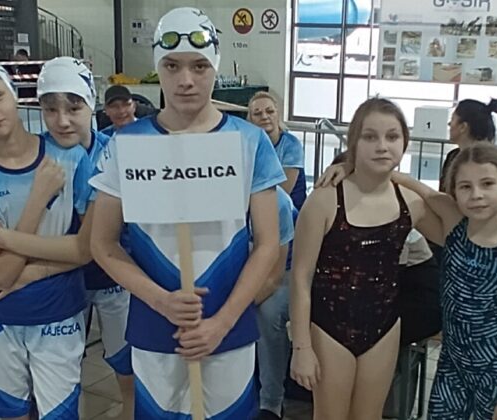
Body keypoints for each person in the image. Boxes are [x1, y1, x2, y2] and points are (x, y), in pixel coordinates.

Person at [288, 98, 497, 420]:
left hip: (384, 328)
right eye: (370, 137)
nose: (382, 146)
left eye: (392, 137)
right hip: (330, 326)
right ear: (354, 142)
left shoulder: (410, 203)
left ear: (404, 143)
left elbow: (468, 230)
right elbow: (301, 277)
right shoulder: (325, 200)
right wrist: (302, 346)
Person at [90, 8, 285, 418]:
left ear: (215, 66)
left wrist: (223, 321)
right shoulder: (127, 145)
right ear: (157, 68)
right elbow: (102, 243)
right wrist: (160, 300)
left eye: (199, 66)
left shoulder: (250, 142)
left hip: (229, 324)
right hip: (155, 321)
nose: (185, 80)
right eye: (172, 66)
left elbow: (268, 244)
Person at [0, 55, 94, 418]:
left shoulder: (71, 157)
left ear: (14, 94)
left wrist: (11, 250)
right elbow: (0, 275)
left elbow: (87, 248)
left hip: (58, 310)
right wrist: (38, 199)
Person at [392, 143, 497, 420]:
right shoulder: (453, 225)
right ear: (455, 192)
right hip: (452, 370)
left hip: (496, 376)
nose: (477, 195)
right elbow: (419, 190)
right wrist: (354, 166)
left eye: (487, 184)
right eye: (465, 187)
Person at [34, 56, 134, 419]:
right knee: (58, 369)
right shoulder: (34, 156)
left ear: (92, 105)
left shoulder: (118, 150)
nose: (62, 120)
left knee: (124, 358)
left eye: (74, 108)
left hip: (112, 275)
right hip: (59, 279)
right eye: (50, 109)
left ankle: (130, 411)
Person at [255, 187, 297, 420]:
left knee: (268, 312)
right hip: (249, 269)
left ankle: (271, 403)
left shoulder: (277, 201)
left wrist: (237, 308)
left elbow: (274, 278)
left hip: (291, 272)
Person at [248, 91, 307, 209]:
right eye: (257, 113)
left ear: (278, 114)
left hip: (290, 210)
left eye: (270, 111)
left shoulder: (292, 145)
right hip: (256, 206)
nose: (264, 117)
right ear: (250, 119)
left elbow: (282, 192)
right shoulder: (247, 145)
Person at [439, 98, 497, 192]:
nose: (449, 124)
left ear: (463, 127)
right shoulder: (452, 156)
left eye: (452, 119)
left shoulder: (491, 160)